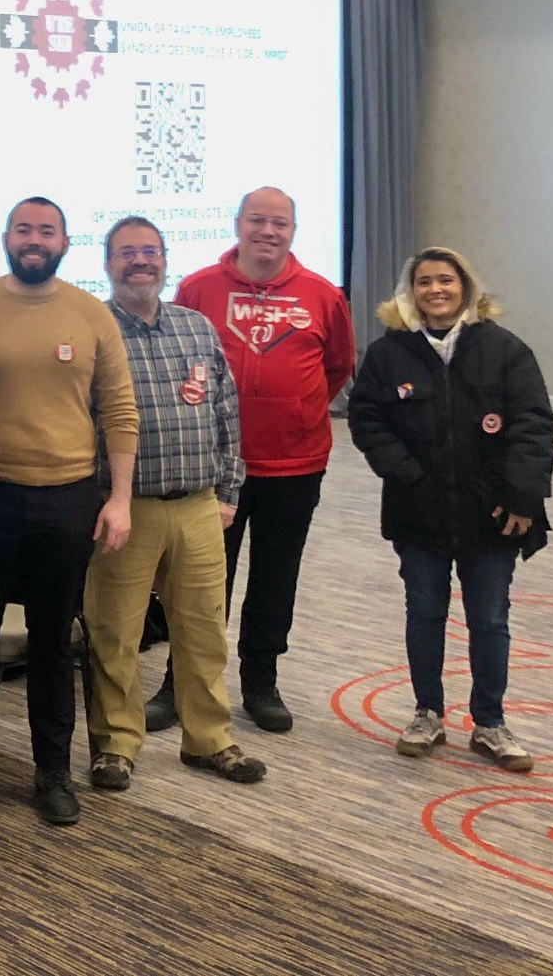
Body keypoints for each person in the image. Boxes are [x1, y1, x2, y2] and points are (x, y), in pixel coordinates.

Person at [0, 196, 138, 827]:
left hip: (67, 498)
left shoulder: (90, 315)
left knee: (54, 643)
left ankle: (53, 774)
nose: (34, 239)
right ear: (5, 237)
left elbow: (120, 413)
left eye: (45, 231)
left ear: (64, 243)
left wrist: (121, 499)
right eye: (23, 228)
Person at [156, 188, 355, 733]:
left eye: (280, 223)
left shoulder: (321, 294)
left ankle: (261, 682)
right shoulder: (198, 288)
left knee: (274, 577)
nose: (268, 231)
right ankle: (180, 682)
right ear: (238, 224)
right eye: (258, 220)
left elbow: (337, 367)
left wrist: (291, 407)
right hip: (214, 467)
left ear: (294, 230)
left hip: (295, 465)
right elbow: (176, 360)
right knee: (198, 582)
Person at [348, 247, 553, 771]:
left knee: (488, 619)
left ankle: (489, 722)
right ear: (409, 291)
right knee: (426, 612)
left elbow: (534, 425)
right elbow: (367, 420)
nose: (435, 290)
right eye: (424, 282)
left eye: (446, 280)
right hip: (418, 513)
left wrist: (523, 497)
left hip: (493, 515)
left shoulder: (504, 350)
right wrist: (407, 475)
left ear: (465, 287)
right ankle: (427, 713)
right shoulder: (388, 354)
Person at [83, 217, 265, 793]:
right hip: (124, 511)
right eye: (127, 253)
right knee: (116, 634)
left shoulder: (197, 328)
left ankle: (208, 737)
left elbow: (225, 414)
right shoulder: (93, 332)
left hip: (199, 506)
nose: (141, 261)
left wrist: (229, 492)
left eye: (150, 251)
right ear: (107, 264)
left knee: (204, 628)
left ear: (165, 260)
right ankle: (115, 744)